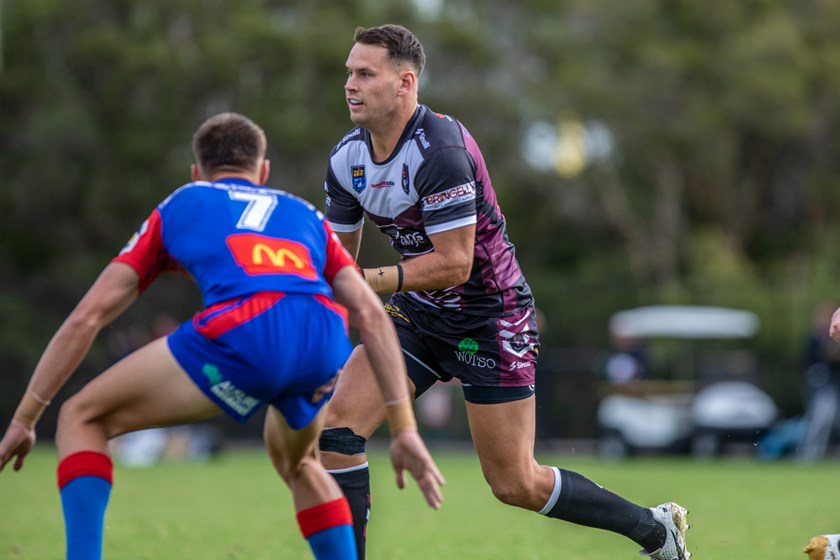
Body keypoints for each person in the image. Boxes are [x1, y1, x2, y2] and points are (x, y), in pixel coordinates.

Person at [0, 112, 444, 560]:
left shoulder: (186, 200)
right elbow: (369, 313)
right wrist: (404, 427)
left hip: (247, 326)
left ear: (198, 172)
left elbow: (87, 317)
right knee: (301, 463)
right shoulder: (303, 213)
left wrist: (24, 419)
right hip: (322, 339)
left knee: (81, 417)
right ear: (263, 172)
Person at [319, 24, 690, 560]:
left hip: (491, 318)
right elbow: (339, 261)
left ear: (405, 82)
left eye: (365, 74)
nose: (350, 85)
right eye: (349, 73)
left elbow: (453, 263)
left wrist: (362, 282)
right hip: (418, 316)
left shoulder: (440, 150)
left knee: (515, 482)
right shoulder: (345, 159)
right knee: (338, 430)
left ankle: (654, 530)